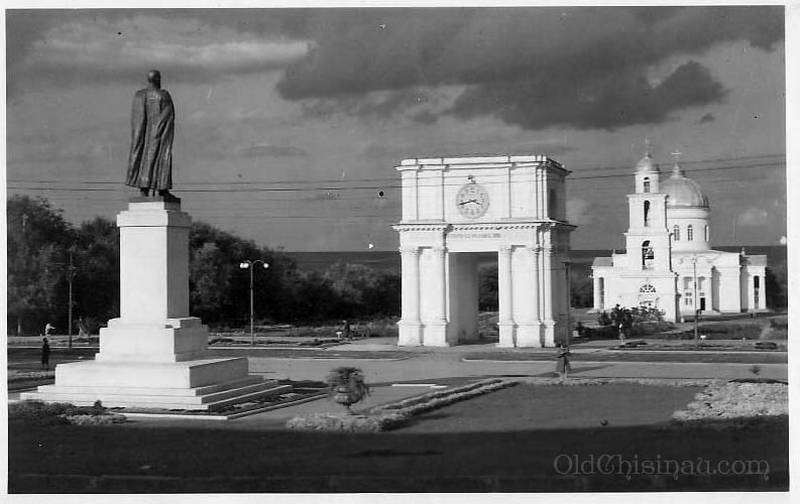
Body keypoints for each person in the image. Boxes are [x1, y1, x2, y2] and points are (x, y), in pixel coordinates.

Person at [125, 70, 175, 198]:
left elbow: (136, 120)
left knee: (144, 156)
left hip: (142, 136)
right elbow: (169, 117)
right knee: (162, 157)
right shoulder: (164, 95)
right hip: (159, 135)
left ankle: (144, 187)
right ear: (158, 79)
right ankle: (162, 188)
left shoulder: (139, 95)